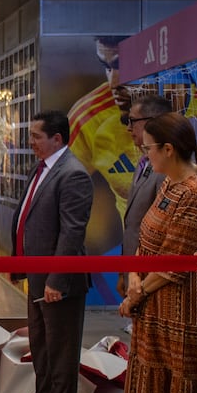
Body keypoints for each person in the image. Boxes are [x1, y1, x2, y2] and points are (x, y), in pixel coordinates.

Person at [119, 112, 197, 393]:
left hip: (180, 314)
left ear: (168, 149)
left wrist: (137, 293)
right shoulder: (169, 184)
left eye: (148, 148)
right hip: (154, 309)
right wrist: (134, 277)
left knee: (175, 392)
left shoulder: (195, 194)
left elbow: (174, 262)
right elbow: (146, 238)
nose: (144, 154)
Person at [11, 110, 93, 393]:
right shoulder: (41, 168)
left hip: (59, 284)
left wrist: (56, 280)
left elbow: (72, 233)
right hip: (37, 278)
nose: (30, 142)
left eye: (36, 136)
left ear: (57, 139)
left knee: (61, 355)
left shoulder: (73, 174)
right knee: (42, 350)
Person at [67, 36, 140, 256]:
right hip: (133, 255)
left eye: (122, 65)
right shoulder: (88, 117)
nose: (113, 82)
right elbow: (62, 195)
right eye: (107, 67)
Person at [116, 95, 172, 298]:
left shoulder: (167, 168)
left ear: (152, 122)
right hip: (135, 275)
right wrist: (125, 271)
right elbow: (133, 224)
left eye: (132, 121)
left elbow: (163, 233)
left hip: (151, 280)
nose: (128, 128)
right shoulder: (144, 162)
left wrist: (143, 282)